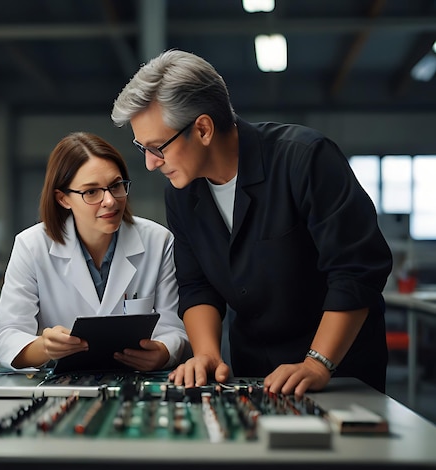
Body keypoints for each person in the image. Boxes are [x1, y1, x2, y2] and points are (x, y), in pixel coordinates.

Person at [110, 49, 393, 396]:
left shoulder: (304, 159)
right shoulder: (182, 194)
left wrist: (318, 363)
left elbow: (355, 269)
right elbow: (197, 285)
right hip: (253, 373)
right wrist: (207, 355)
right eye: (144, 149)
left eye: (158, 148)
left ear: (202, 129)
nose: (152, 164)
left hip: (338, 372)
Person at [0, 131, 190, 372]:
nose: (110, 201)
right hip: (62, 389)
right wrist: (44, 347)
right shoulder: (32, 246)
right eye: (91, 192)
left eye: (116, 186)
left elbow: (174, 329)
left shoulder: (158, 241)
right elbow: (3, 338)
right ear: (63, 198)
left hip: (134, 384)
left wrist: (163, 353)